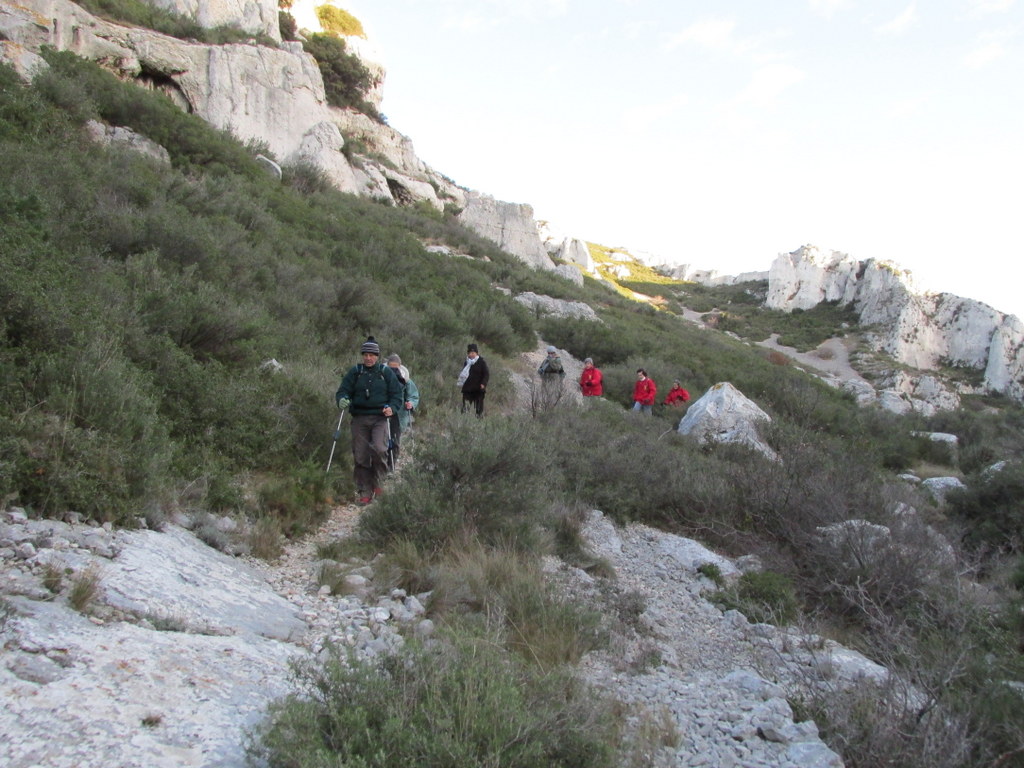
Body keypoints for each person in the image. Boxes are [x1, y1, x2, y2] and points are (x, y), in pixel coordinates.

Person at [335, 336, 403, 505]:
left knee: (380, 449)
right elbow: (342, 391)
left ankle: (378, 484)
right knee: (360, 454)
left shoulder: (385, 373)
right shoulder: (356, 372)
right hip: (359, 418)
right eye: (365, 354)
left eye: (372, 355)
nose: (368, 358)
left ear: (377, 356)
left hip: (380, 418)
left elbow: (397, 395)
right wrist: (342, 399)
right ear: (362, 355)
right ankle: (364, 490)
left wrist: (392, 408)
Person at [385, 354, 420, 460]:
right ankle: (380, 466)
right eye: (391, 368)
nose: (393, 371)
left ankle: (391, 466)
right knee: (381, 440)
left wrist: (411, 403)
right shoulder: (381, 377)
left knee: (395, 440)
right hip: (383, 412)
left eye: (395, 368)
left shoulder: (406, 380)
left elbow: (414, 395)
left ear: (400, 366)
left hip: (398, 415)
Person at [457, 343, 489, 417]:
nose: (471, 354)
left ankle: (479, 423)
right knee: (465, 408)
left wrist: (483, 383)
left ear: (476, 353)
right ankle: (464, 422)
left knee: (478, 409)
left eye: (473, 353)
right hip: (467, 389)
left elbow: (486, 374)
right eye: (470, 353)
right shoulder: (466, 362)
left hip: (478, 389)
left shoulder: (481, 362)